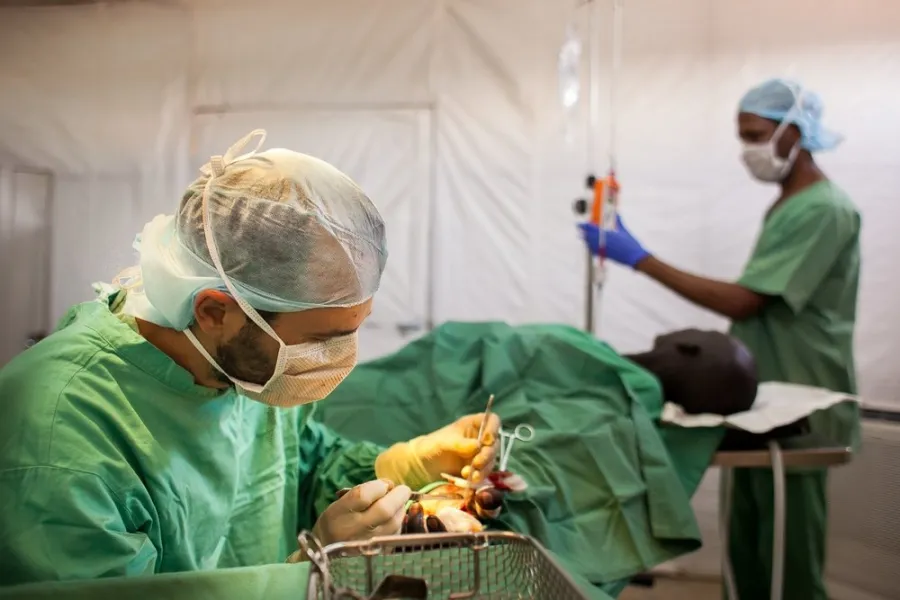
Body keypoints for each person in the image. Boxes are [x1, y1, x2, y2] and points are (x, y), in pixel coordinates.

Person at [0, 130, 500, 586]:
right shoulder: (59, 441)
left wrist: (403, 465)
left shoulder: (243, 367)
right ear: (216, 310)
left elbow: (299, 465)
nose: (340, 359)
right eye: (322, 339)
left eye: (353, 331)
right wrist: (308, 573)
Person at [580, 79, 860, 600]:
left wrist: (640, 258)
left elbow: (745, 301)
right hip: (762, 399)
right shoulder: (789, 204)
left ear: (793, 132)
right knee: (749, 548)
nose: (746, 150)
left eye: (755, 135)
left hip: (803, 396)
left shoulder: (824, 209)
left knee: (787, 557)